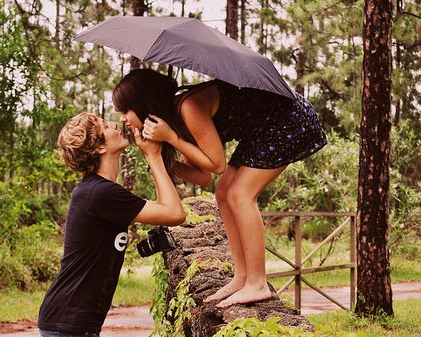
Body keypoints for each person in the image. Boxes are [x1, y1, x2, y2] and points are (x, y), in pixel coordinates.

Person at [113, 69, 327, 308]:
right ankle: (242, 277)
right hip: (261, 128)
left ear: (143, 105)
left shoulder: (188, 107)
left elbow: (216, 165)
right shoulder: (175, 121)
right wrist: (159, 159)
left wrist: (172, 139)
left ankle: (257, 284)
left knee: (240, 195)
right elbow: (203, 177)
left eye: (124, 111)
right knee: (223, 193)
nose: (122, 118)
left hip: (288, 119)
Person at [38, 112, 185, 337]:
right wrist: (153, 157)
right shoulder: (99, 193)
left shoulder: (101, 192)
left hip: (72, 323)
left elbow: (166, 209)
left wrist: (155, 154)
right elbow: (175, 213)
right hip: (68, 323)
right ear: (99, 148)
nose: (115, 125)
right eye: (105, 126)